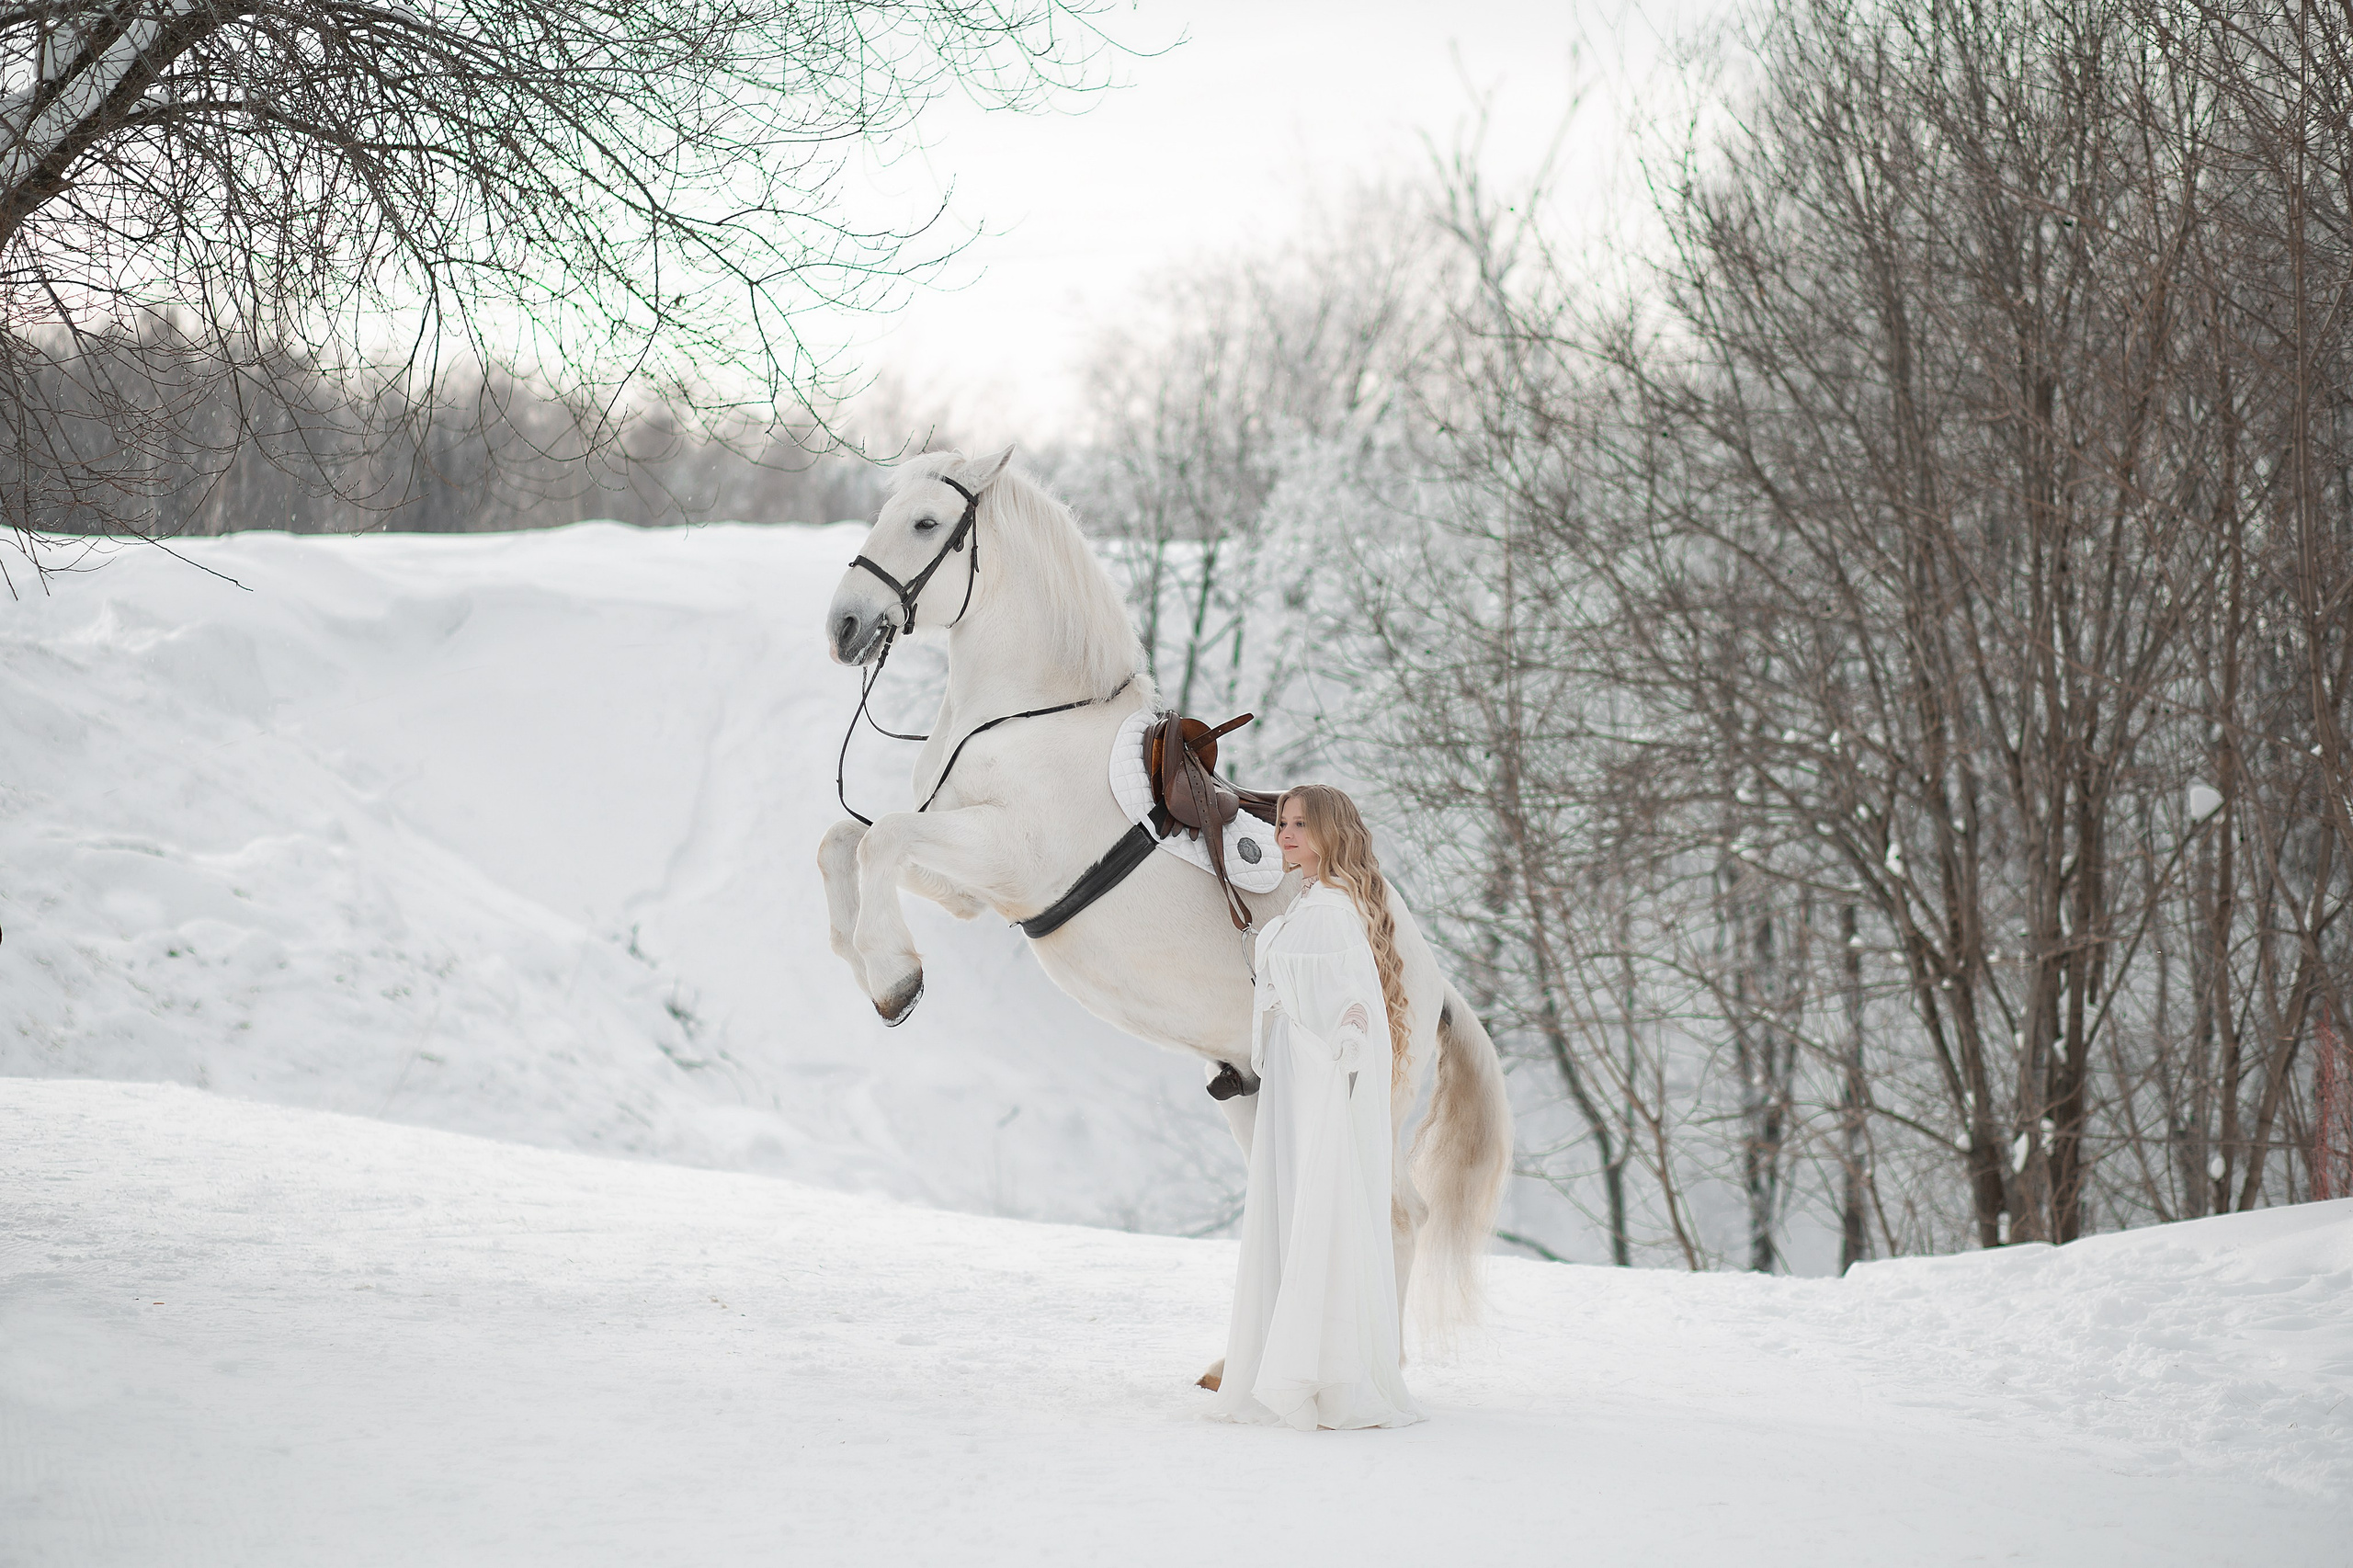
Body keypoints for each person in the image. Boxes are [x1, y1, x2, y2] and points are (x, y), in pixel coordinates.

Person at [1209, 783, 1424, 1431]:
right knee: (1293, 1210)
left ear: (1331, 831)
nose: (1285, 835)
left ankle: (1322, 1370)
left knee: (1316, 1215)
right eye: (1281, 823)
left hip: (1316, 1082)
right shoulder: (1307, 907)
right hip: (1293, 1080)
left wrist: (1350, 1035)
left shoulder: (1331, 913)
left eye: (1300, 824)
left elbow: (1350, 1000)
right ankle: (1291, 1359)